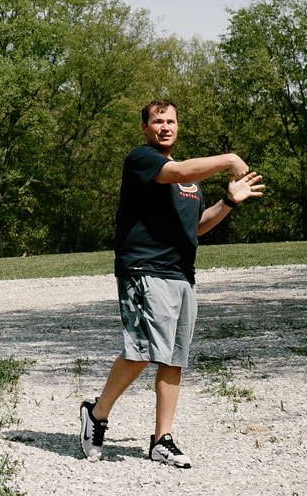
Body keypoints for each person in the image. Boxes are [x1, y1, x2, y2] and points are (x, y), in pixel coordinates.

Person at [79, 98, 264, 468]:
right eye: (158, 121)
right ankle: (96, 415)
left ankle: (162, 440)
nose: (165, 127)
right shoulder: (142, 160)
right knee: (143, 350)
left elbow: (194, 227)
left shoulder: (190, 183)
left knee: (173, 357)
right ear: (145, 129)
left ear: (179, 127)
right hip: (144, 270)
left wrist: (228, 201)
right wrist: (229, 159)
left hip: (181, 274)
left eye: (171, 121)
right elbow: (175, 173)